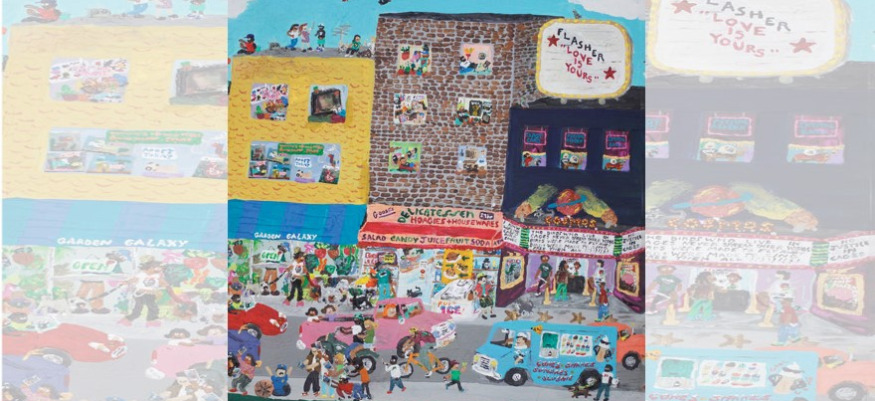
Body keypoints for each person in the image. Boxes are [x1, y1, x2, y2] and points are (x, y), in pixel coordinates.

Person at [119, 257, 166, 327]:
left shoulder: (157, 275)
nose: (160, 270)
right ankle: (127, 320)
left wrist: (164, 286)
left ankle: (151, 321)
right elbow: (134, 279)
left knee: (153, 308)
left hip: (150, 294)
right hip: (140, 293)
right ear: (151, 267)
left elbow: (162, 282)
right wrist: (127, 282)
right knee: (138, 308)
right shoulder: (142, 274)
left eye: (161, 269)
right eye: (159, 268)